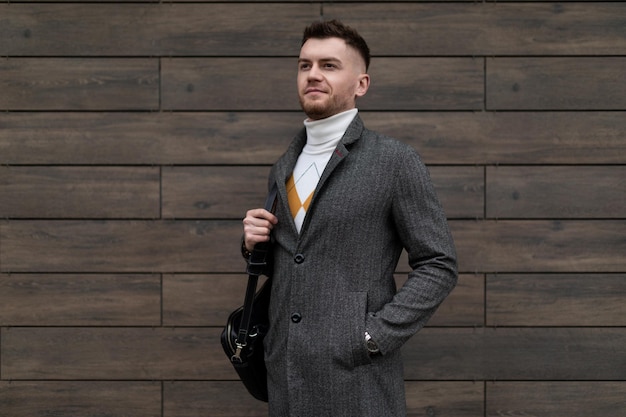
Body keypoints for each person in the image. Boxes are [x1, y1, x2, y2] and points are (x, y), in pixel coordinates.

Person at [241, 19, 458, 417]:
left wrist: (372, 337)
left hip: (355, 377)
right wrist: (255, 244)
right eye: (305, 65)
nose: (313, 75)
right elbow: (300, 261)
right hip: (286, 375)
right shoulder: (283, 166)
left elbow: (438, 264)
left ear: (362, 83)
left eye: (329, 65)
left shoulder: (394, 161)